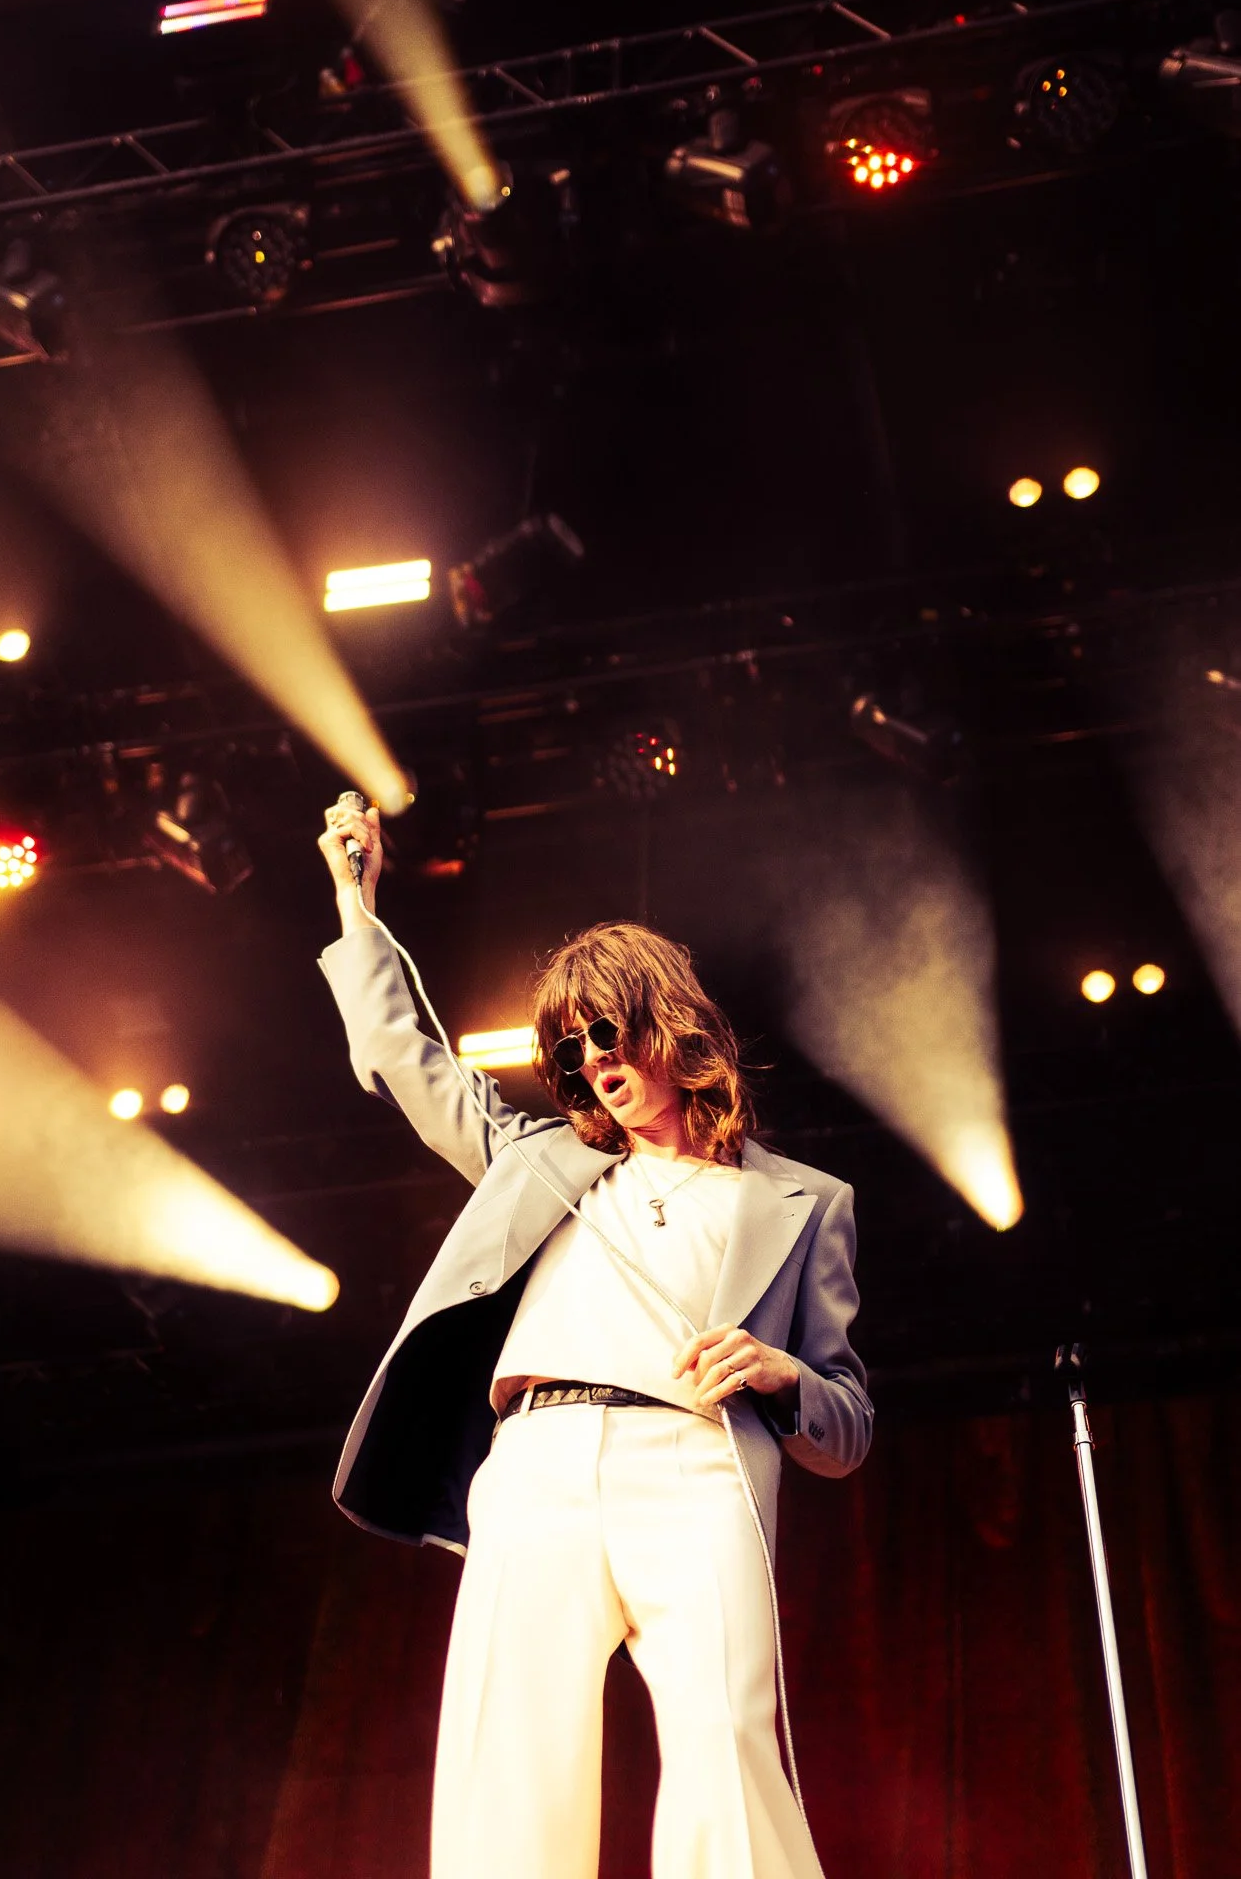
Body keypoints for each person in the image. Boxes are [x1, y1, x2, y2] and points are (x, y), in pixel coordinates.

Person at [317, 799, 872, 1879]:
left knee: (726, 1745)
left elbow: (844, 1422)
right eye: (569, 1045)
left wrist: (783, 1367)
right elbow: (402, 1051)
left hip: (699, 1464)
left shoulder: (806, 1201)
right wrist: (356, 898)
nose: (590, 1057)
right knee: (511, 1759)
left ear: (670, 1027)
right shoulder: (534, 1156)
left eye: (605, 1031)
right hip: (539, 1461)